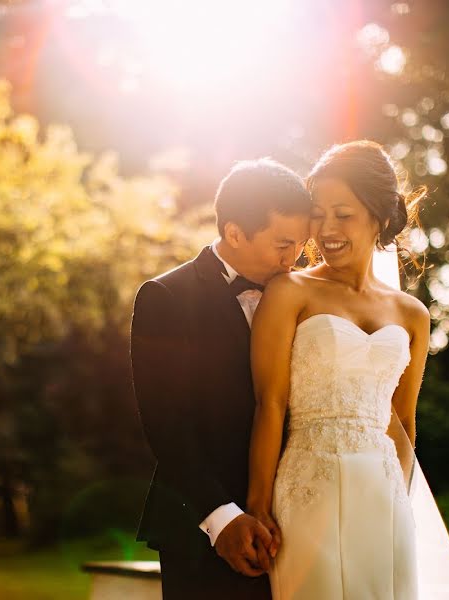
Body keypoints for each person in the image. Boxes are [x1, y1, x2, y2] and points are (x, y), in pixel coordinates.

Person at [247, 140, 449, 599]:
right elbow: (270, 403)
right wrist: (258, 503)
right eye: (317, 212)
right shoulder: (289, 292)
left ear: (379, 217)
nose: (326, 228)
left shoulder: (413, 315)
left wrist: (399, 501)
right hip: (308, 487)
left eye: (342, 213)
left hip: (384, 496)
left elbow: (402, 421)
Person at [130, 158, 312, 599]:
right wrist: (221, 517)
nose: (295, 259)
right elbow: (166, 425)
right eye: (283, 245)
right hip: (201, 530)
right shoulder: (166, 297)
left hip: (298, 522)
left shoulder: (306, 296)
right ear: (234, 233)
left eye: (301, 245)